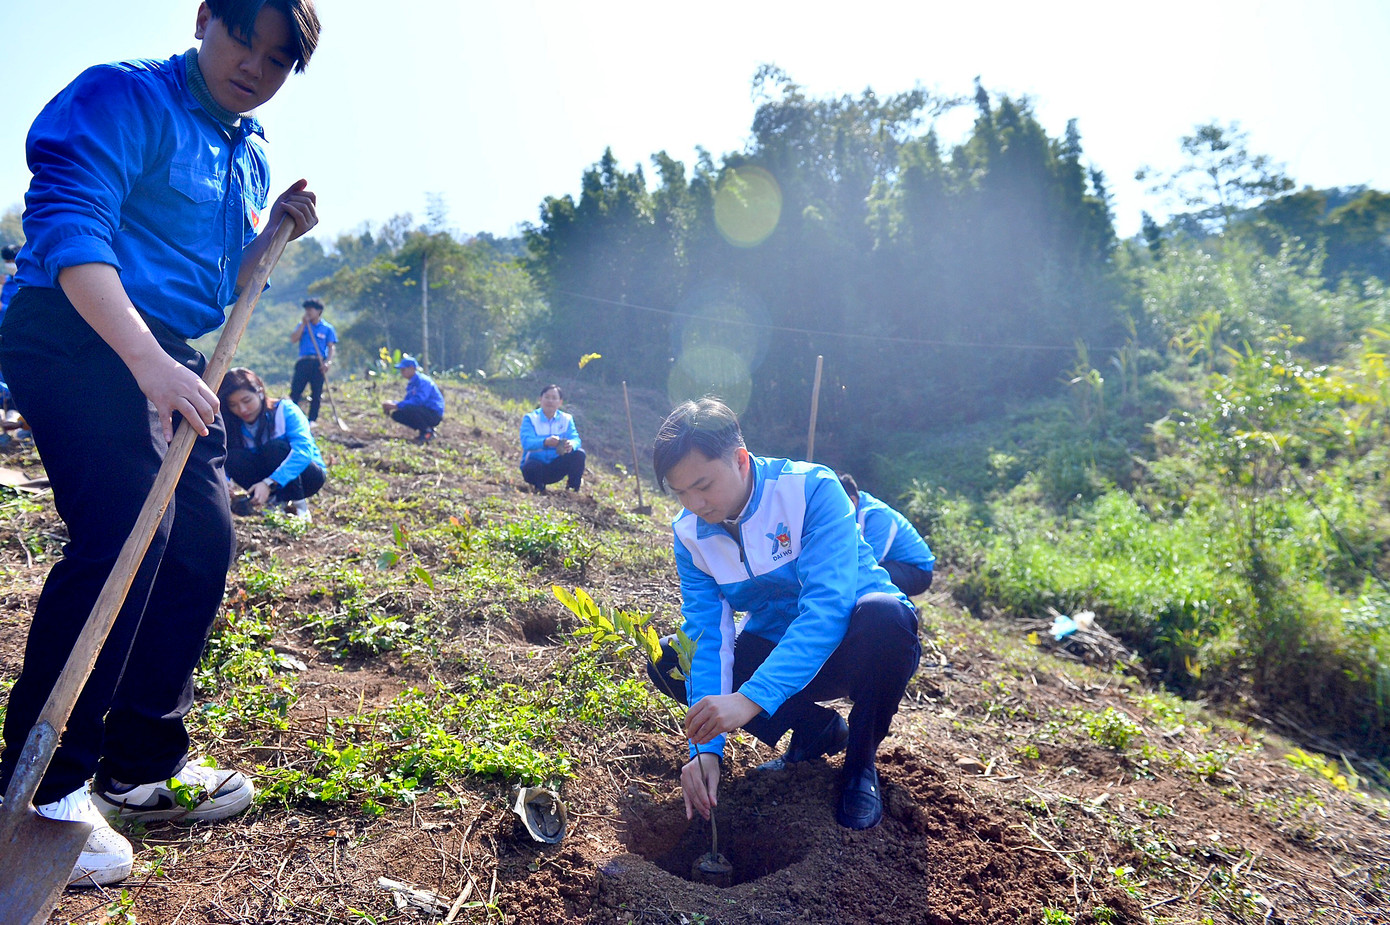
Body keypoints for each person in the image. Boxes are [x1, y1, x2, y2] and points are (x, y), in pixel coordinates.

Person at [0, 0, 320, 888]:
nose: (253, 67)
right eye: (241, 38)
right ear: (203, 19)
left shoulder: (247, 152)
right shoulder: (123, 98)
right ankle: (43, 791)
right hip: (74, 325)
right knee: (126, 533)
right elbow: (71, 229)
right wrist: (144, 361)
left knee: (200, 541)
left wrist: (273, 230)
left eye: (277, 59)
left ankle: (138, 767)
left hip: (169, 352)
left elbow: (219, 283)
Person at [645, 398, 921, 831]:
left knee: (887, 618)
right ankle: (816, 730)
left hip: (856, 644)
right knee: (670, 658)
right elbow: (705, 635)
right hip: (778, 646)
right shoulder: (691, 534)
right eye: (681, 492)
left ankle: (859, 765)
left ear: (740, 460)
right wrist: (706, 749)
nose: (695, 503)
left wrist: (749, 700)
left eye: (703, 485)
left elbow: (827, 610)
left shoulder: (810, 491)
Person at [220, 366, 325, 520]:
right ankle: (274, 502)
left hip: (306, 477)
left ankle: (299, 507)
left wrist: (269, 482)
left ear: (260, 392)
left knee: (274, 448)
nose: (242, 409)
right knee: (233, 456)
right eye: (233, 405)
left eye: (246, 401)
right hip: (267, 474)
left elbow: (303, 451)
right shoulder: (234, 424)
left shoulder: (285, 410)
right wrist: (225, 480)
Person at [838, 473, 935, 597]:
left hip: (918, 571)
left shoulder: (877, 515)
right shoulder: (856, 508)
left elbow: (870, 559)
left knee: (869, 577)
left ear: (852, 500)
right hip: (893, 565)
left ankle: (902, 607)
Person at [519, 383, 586, 492]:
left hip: (556, 466)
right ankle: (538, 488)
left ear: (560, 402)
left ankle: (573, 489)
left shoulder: (566, 419)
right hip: (535, 466)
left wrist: (571, 444)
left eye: (554, 398)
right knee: (531, 466)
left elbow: (576, 439)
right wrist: (545, 442)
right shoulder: (531, 419)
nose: (550, 401)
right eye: (547, 397)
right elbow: (526, 443)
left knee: (579, 454)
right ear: (540, 399)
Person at [288, 296, 335, 424]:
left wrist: (328, 362)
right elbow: (293, 339)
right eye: (306, 309)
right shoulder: (302, 325)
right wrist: (303, 324)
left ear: (319, 311)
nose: (308, 312)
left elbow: (331, 347)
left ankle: (312, 420)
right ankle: (291, 418)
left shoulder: (327, 328)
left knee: (316, 393)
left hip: (318, 362)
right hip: (304, 362)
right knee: (296, 391)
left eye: (310, 309)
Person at [381, 353, 444, 443]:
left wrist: (396, 405)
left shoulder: (423, 381)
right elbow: (408, 401)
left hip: (433, 413)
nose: (402, 372)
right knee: (397, 414)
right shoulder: (412, 383)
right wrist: (393, 403)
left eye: (403, 369)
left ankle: (427, 432)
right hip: (423, 411)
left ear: (412, 368)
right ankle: (425, 429)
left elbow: (419, 401)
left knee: (409, 408)